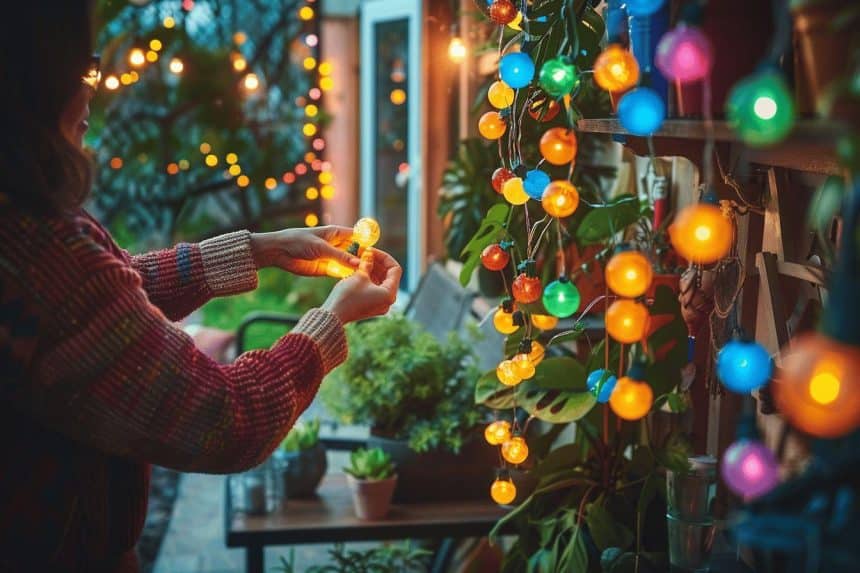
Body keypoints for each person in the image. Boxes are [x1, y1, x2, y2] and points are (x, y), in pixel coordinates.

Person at [0, 3, 401, 571]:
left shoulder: (20, 225)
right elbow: (228, 418)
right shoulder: (38, 249)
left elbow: (108, 307)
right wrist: (331, 321)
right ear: (35, 83)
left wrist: (262, 249)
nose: (91, 90)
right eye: (82, 69)